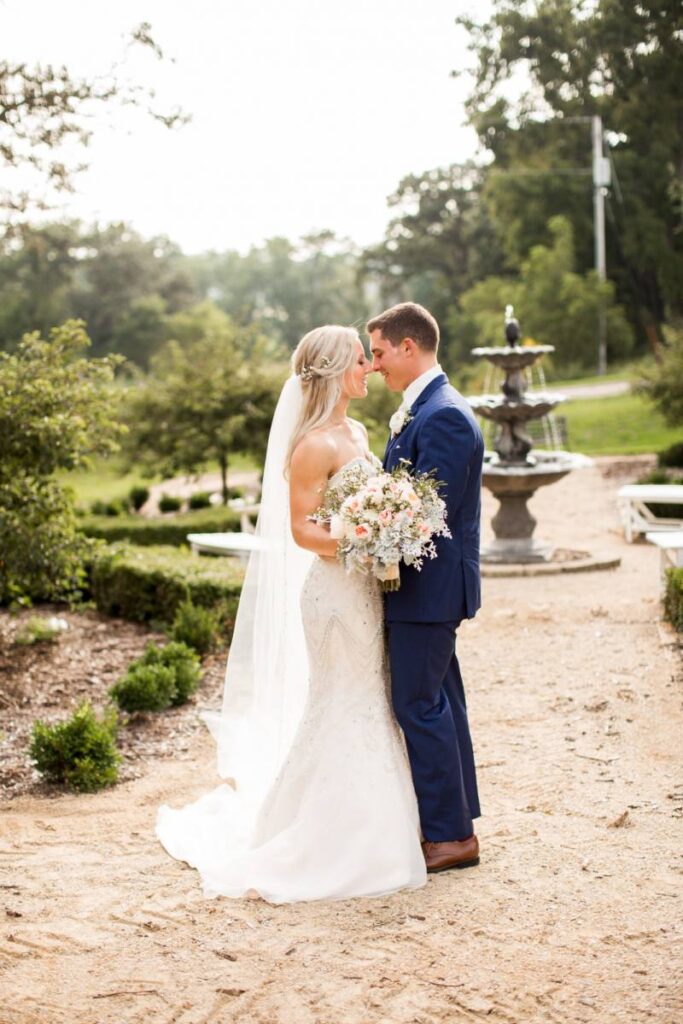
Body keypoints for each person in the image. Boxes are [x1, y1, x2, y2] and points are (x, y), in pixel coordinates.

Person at [156, 325, 427, 903]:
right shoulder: (312, 446)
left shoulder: (356, 430)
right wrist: (365, 539)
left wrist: (387, 534)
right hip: (333, 594)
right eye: (361, 360)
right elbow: (303, 530)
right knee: (342, 700)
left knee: (371, 697)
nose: (370, 368)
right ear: (334, 371)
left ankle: (378, 825)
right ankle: (334, 840)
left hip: (367, 592)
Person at [368, 302, 483, 873]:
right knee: (440, 700)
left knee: (416, 703)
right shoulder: (424, 410)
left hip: (428, 590)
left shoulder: (444, 417)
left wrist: (367, 532)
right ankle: (456, 822)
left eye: (380, 352)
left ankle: (450, 837)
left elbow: (428, 514)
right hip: (422, 588)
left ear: (409, 348)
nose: (374, 364)